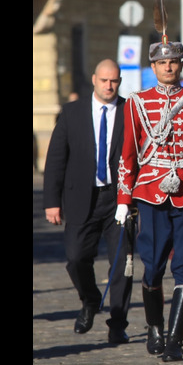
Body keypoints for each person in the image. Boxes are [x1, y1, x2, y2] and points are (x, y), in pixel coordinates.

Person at [116, 39, 183, 361]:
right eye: (162, 63)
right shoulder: (136, 103)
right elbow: (128, 154)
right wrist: (123, 199)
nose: (168, 67)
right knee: (152, 267)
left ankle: (175, 340)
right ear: (153, 67)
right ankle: (155, 327)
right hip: (150, 192)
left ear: (181, 65)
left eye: (174, 61)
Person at [43, 59, 134, 344]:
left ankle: (117, 324)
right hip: (81, 198)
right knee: (76, 259)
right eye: (104, 80)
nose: (109, 86)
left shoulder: (130, 111)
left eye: (114, 81)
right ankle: (90, 299)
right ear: (94, 80)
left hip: (119, 200)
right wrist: (52, 202)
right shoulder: (72, 112)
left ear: (120, 82)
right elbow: (56, 158)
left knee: (122, 264)